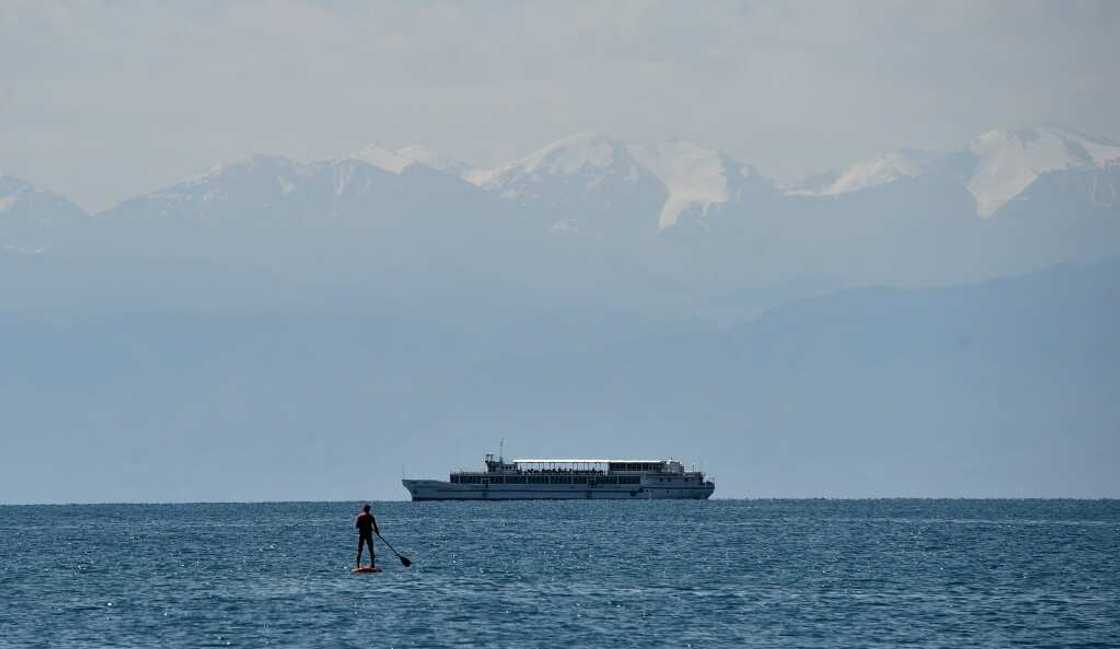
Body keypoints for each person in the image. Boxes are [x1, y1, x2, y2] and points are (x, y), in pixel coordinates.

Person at [355, 503, 380, 567]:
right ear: (369, 510)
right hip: (368, 534)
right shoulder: (371, 516)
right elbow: (375, 527)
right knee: (371, 549)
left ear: (364, 509)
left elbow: (357, 526)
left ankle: (357, 565)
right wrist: (377, 532)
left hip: (362, 535)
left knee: (359, 550)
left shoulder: (360, 516)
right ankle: (373, 564)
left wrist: (363, 525)